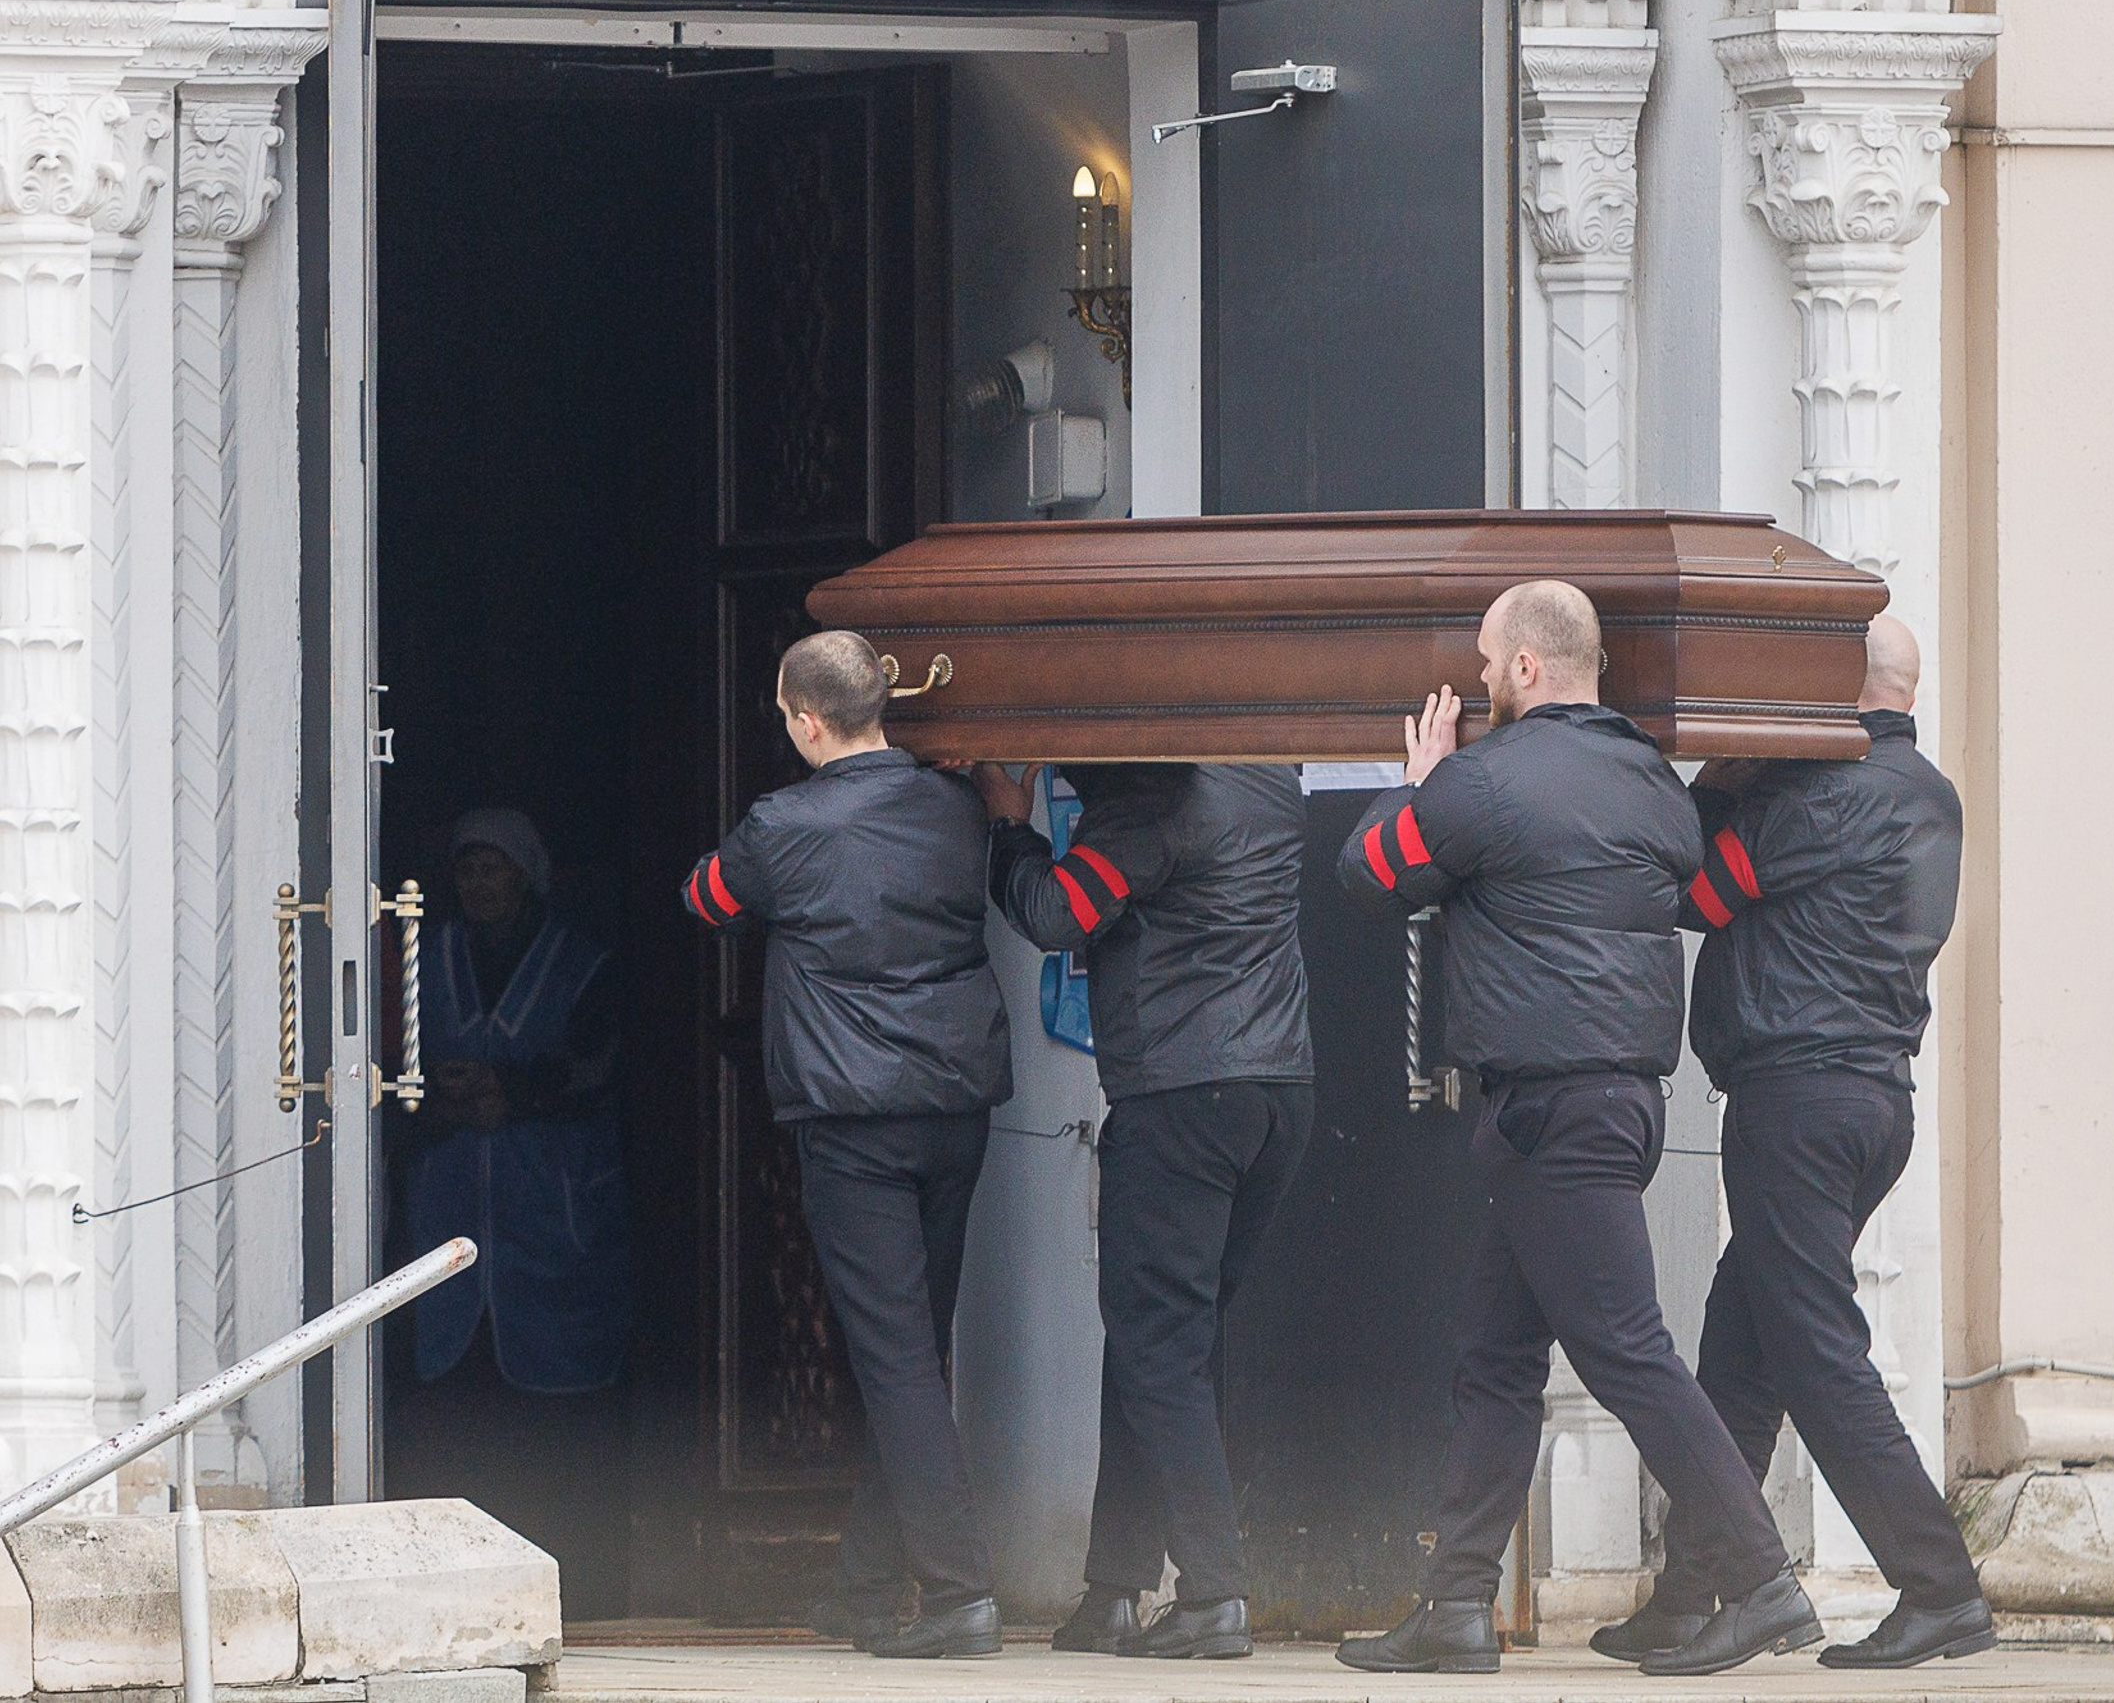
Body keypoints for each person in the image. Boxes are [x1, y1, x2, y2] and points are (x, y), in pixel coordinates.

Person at [1331, 581, 1818, 1679]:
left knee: (1625, 1350)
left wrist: (1415, 782)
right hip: (1605, 1104)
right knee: (1497, 1359)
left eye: (1486, 658)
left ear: (1526, 670)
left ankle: (1763, 1583)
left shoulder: (1483, 781)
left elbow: (1367, 873)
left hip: (1554, 1108)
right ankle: (1456, 1605)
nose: (1478, 674)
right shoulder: (1654, 784)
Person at [1606, 613, 1993, 1674]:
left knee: (1816, 1353)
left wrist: (1728, 770)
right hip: (1870, 1104)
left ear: (1833, 686)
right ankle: (1693, 1591)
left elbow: (1692, 889)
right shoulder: (1925, 790)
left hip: (1798, 1100)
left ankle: (1938, 1588)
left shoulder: (1817, 792)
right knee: (1742, 1350)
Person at [681, 630, 1013, 1660]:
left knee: (897, 1357)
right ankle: (867, 1586)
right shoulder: (960, 807)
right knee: (912, 1350)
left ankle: (959, 1595)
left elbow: (705, 899)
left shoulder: (784, 825)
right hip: (955, 1107)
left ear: (805, 720)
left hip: (853, 1118)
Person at [973, 761, 1313, 1661]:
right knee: (1160, 1339)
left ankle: (1213, 1594)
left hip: (1182, 1090)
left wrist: (1010, 822)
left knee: (1158, 1346)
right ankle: (1114, 1588)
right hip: (1276, 1089)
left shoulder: (1152, 809)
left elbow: (1056, 914)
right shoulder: (1273, 775)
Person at [396, 807, 631, 1618]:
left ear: (526, 875)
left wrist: (520, 1093)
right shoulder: (420, 956)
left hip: (552, 1213)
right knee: (459, 1413)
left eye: (494, 867)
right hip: (451, 1207)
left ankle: (580, 1595)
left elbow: (603, 1065)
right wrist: (443, 1103)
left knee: (556, 1426)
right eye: (468, 869)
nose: (479, 882)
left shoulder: (582, 963)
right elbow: (386, 1069)